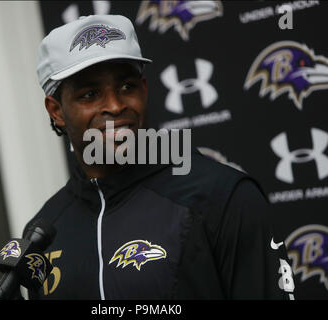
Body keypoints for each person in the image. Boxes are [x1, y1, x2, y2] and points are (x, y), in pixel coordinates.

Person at [24, 14, 296, 300]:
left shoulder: (223, 197)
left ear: (144, 89)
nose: (116, 105)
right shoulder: (44, 230)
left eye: (127, 87)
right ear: (56, 110)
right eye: (90, 94)